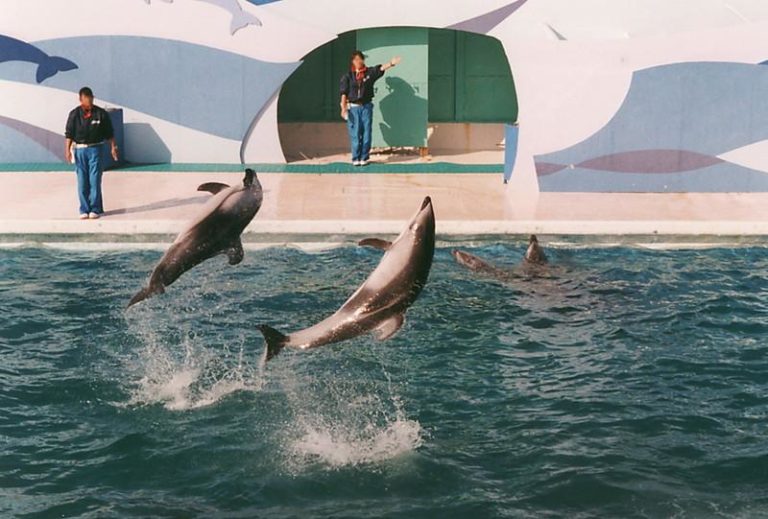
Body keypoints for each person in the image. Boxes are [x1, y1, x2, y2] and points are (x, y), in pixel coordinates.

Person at [65, 87, 118, 219]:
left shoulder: (101, 114)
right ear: (80, 99)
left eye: (91, 98)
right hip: (80, 150)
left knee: (94, 179)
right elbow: (69, 134)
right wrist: (67, 150)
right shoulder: (74, 114)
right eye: (86, 98)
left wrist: (113, 147)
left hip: (95, 149)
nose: (89, 100)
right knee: (82, 181)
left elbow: (109, 133)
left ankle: (95, 208)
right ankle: (84, 209)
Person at [340, 51, 401, 167]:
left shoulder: (369, 73)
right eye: (356, 59)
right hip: (353, 108)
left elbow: (380, 69)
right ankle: (355, 157)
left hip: (366, 107)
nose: (358, 61)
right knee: (355, 133)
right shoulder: (348, 76)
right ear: (352, 62)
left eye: (360, 59)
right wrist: (343, 108)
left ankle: (364, 157)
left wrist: (391, 63)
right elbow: (343, 93)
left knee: (367, 133)